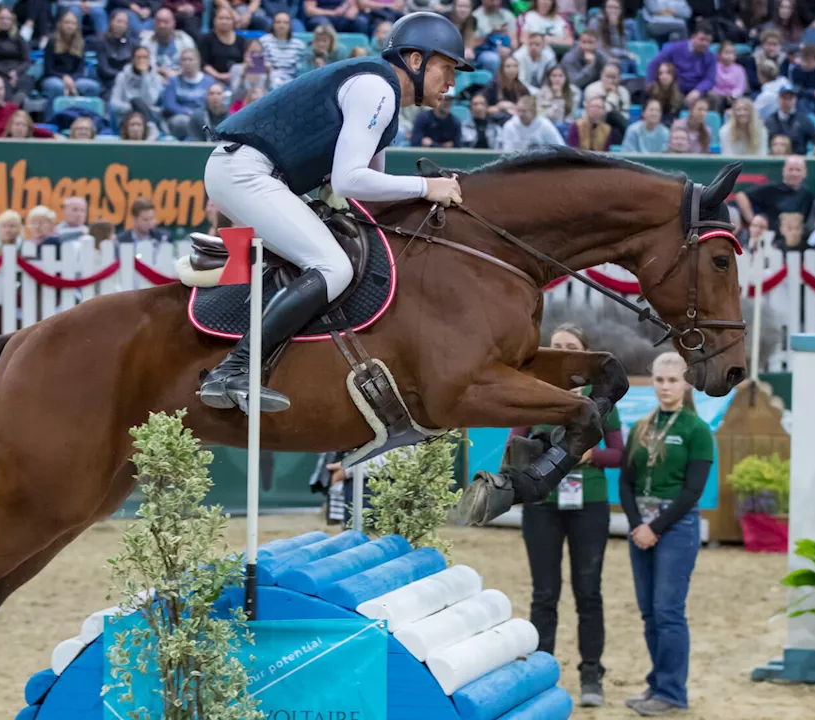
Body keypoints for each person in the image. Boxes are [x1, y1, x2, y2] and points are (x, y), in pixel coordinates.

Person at [198, 12, 469, 413]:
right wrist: (428, 187)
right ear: (415, 61)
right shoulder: (376, 88)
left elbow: (369, 193)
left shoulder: (384, 102)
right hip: (245, 172)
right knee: (333, 268)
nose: (452, 82)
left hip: (253, 172)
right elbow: (348, 181)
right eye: (446, 68)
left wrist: (425, 193)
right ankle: (235, 369)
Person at [511, 324, 623, 709]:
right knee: (544, 594)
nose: (561, 351)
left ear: (583, 355)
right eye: (555, 346)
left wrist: (588, 454)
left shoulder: (601, 400)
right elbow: (514, 445)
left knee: (588, 591)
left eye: (569, 347)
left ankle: (591, 674)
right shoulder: (533, 394)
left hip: (588, 504)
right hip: (543, 507)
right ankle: (542, 673)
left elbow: (619, 454)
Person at [619, 351, 714, 718]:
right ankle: (658, 684)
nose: (665, 387)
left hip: (676, 528)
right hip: (639, 527)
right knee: (649, 613)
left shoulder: (697, 430)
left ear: (687, 383)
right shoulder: (641, 426)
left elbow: (693, 491)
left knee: (668, 610)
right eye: (659, 380)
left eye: (673, 380)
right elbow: (625, 481)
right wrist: (635, 525)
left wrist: (654, 528)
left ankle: (673, 692)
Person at [734, 154, 815, 232]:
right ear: (784, 171)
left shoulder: (808, 196)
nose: (794, 173)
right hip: (768, 236)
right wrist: (753, 221)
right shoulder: (771, 189)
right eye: (790, 169)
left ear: (805, 173)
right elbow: (741, 196)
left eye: (798, 170)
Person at [498, 94, 563, 151]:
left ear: (533, 112)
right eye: (518, 110)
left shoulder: (545, 125)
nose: (520, 114)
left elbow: (561, 147)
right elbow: (506, 152)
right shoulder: (509, 126)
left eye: (524, 111)